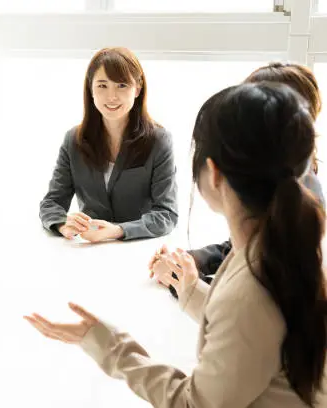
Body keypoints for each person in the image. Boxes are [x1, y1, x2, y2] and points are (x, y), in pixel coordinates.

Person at [25, 83, 327, 407]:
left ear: (213, 172)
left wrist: (112, 348)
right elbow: (253, 328)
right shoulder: (281, 247)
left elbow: (193, 402)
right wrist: (189, 288)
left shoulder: (255, 283)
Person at [150, 62, 325, 297]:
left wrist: (183, 281)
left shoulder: (298, 194)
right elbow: (239, 249)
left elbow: (253, 298)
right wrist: (191, 259)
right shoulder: (280, 178)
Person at [39, 47, 177, 243]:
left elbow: (167, 214)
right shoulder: (74, 140)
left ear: (137, 89)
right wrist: (62, 224)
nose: (111, 96)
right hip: (86, 251)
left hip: (139, 249)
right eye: (102, 86)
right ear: (91, 89)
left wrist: (118, 230)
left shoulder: (158, 141)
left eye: (121, 85)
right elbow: (51, 203)